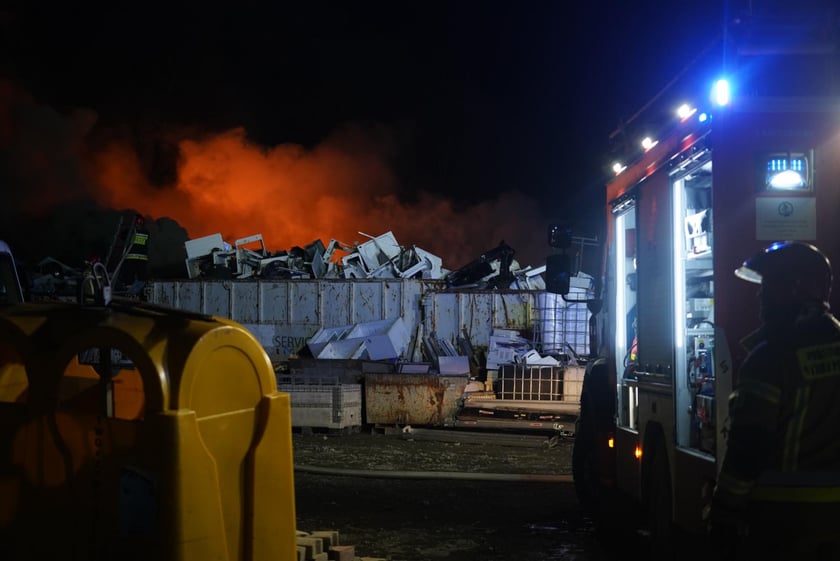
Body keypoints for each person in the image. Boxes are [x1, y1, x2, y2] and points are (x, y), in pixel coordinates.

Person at [708, 241, 840, 560]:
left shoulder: (770, 360)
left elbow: (748, 447)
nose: (759, 296)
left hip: (785, 524)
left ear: (794, 290)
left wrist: (723, 510)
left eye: (768, 286)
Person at [117, 214, 150, 291]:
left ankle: (129, 291)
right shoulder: (146, 232)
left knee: (129, 277)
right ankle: (138, 291)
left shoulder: (130, 231)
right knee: (141, 278)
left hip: (131, 257)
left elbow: (121, 236)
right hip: (142, 259)